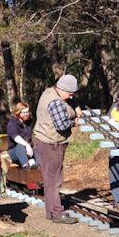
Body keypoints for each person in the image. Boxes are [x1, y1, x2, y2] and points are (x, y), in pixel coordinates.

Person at [32, 74, 82, 224]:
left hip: (45, 140)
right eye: (70, 93)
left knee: (51, 178)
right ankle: (56, 213)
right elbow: (61, 125)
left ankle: (51, 211)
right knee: (54, 180)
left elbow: (71, 100)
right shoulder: (55, 102)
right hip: (51, 144)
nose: (71, 96)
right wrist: (75, 122)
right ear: (62, 89)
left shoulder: (50, 92)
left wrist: (77, 106)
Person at [5, 102, 34, 169]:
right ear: (18, 113)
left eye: (27, 112)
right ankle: (26, 167)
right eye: (24, 112)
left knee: (39, 148)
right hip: (14, 151)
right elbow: (15, 137)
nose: (26, 114)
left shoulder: (29, 122)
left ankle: (38, 167)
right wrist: (27, 145)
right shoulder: (12, 123)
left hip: (28, 149)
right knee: (20, 146)